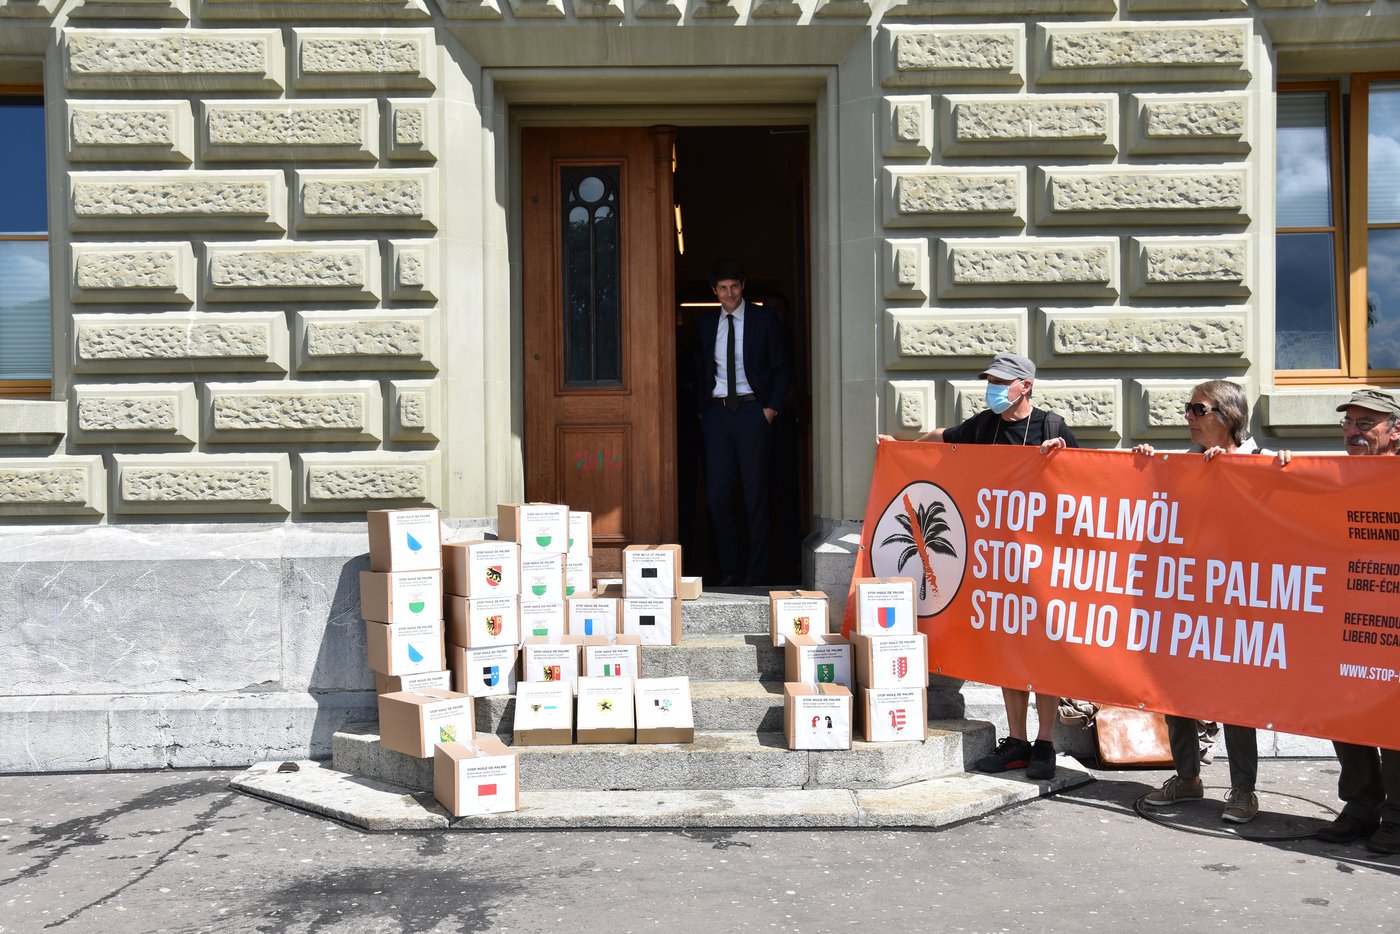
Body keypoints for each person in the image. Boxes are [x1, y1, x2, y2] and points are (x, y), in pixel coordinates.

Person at [879, 351, 1076, 781]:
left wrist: (1062, 457)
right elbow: (942, 437)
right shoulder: (984, 425)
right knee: (1007, 651)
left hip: (1040, 564)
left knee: (1042, 653)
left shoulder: (1051, 425)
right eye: (991, 380)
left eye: (1003, 381)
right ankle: (1018, 742)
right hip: (995, 562)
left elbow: (1084, 483)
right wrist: (900, 450)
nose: (994, 388)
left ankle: (1046, 745)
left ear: (1025, 385)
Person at [1133, 379, 1278, 824]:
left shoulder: (1265, 463)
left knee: (1233, 697)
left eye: (1198, 410)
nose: (1188, 418)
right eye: (1188, 409)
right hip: (1187, 595)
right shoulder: (1186, 464)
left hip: (1238, 599)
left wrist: (1242, 473)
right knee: (1178, 690)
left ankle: (1243, 790)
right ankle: (1187, 777)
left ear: (1227, 417)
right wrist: (1142, 468)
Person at [1314, 388, 1400, 854]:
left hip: (1393, 623)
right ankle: (1360, 808)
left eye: (1366, 424)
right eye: (1349, 423)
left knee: (1395, 721)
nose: (1354, 432)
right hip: (1346, 619)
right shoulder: (1333, 476)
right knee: (1348, 714)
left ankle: (1398, 819)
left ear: (1395, 431)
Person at [694, 260, 791, 587]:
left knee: (755, 496)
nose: (729, 293)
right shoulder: (706, 324)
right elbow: (698, 370)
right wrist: (703, 410)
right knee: (717, 497)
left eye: (734, 286)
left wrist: (771, 409)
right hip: (718, 415)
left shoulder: (764, 319)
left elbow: (782, 368)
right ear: (714, 291)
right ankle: (729, 570)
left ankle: (758, 572)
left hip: (753, 412)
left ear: (743, 285)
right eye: (722, 288)